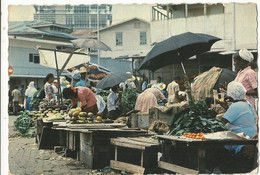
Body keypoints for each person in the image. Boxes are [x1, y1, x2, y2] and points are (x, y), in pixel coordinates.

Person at [221, 81, 257, 172]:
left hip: (241, 146)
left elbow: (221, 122)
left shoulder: (236, 106)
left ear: (230, 95)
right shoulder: (247, 104)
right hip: (251, 142)